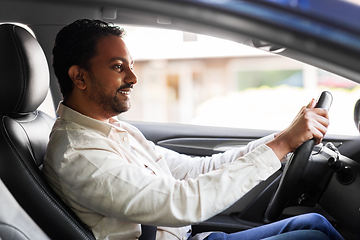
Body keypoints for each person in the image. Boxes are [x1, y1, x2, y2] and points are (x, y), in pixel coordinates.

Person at [43, 19, 343, 240]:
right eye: (118, 67)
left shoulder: (113, 131)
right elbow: (180, 202)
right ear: (79, 77)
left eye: (130, 65)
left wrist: (282, 138)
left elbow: (193, 170)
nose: (133, 78)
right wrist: (281, 146)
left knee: (314, 223)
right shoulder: (78, 153)